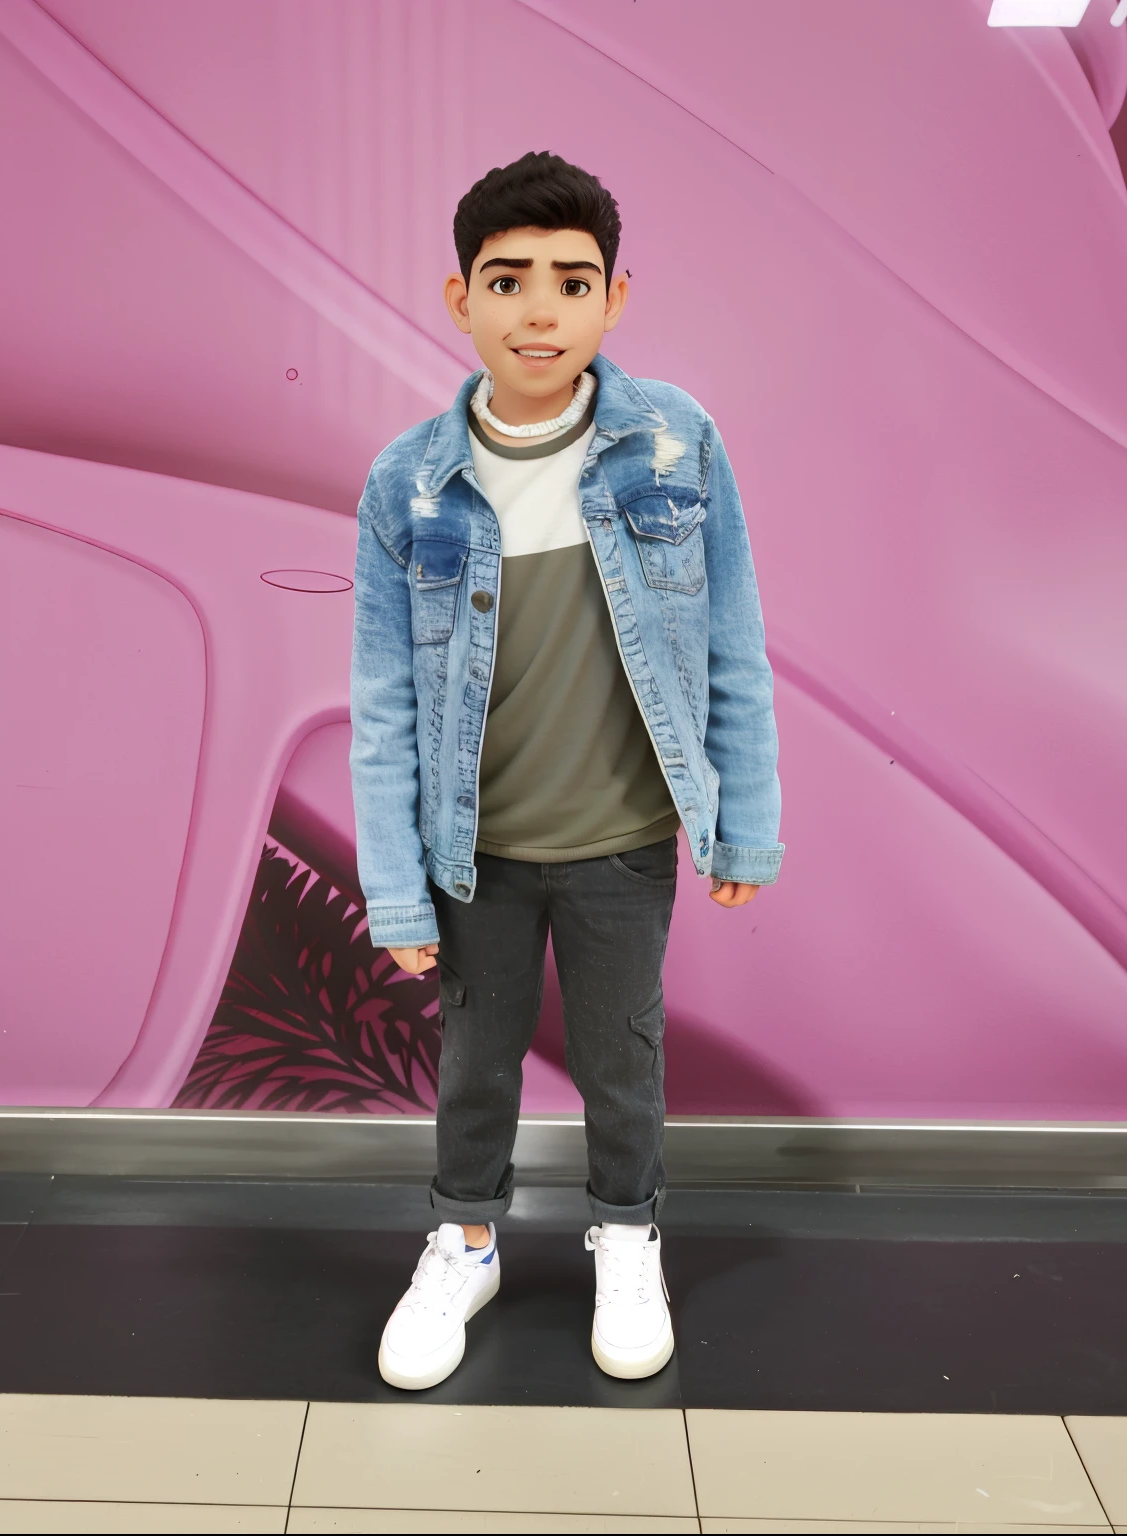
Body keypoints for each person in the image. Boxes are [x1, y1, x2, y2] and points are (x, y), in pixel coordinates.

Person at [348, 151, 785, 1390]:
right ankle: (465, 1238)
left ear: (612, 300)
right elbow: (380, 703)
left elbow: (731, 644)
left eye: (568, 281)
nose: (538, 309)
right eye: (507, 280)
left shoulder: (673, 442)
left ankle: (628, 1234)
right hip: (470, 852)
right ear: (458, 299)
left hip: (623, 843)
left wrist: (740, 826)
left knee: (619, 1056)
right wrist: (392, 886)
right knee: (474, 1064)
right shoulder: (410, 482)